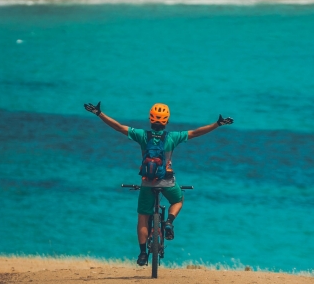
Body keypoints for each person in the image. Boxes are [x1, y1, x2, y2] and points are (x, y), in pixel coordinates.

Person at [84, 101, 233, 266]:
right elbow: (196, 133)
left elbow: (118, 127)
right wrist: (218, 124)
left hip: (147, 182)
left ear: (150, 119)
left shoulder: (142, 135)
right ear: (166, 121)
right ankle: (169, 221)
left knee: (143, 216)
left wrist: (99, 113)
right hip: (167, 181)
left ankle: (142, 254)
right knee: (177, 200)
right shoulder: (172, 137)